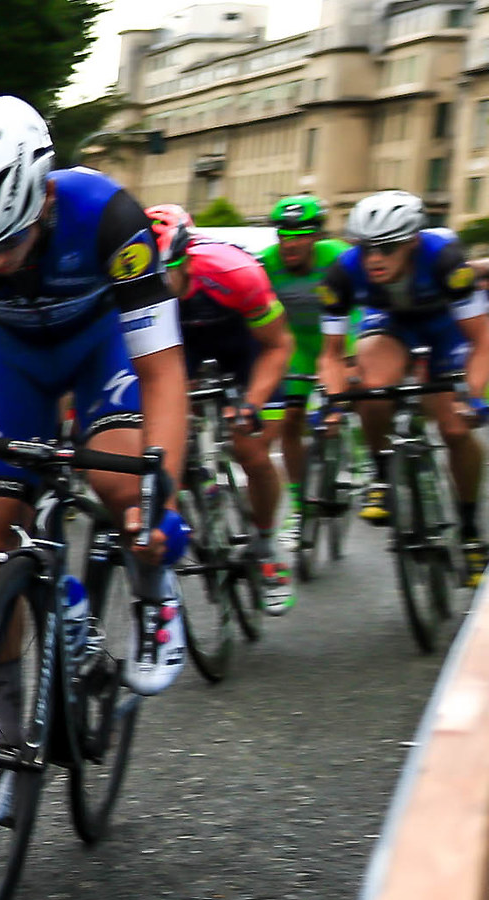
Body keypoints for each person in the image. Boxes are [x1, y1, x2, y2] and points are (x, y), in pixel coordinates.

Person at [0, 96, 189, 826]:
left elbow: (166, 371)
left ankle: (152, 588)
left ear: (45, 193)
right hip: (12, 359)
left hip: (99, 347)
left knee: (123, 480)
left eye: (9, 239)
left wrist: (160, 488)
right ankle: (6, 730)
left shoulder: (109, 217)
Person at [315, 190, 489, 578]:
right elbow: (330, 355)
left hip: (446, 327)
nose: (375, 259)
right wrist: (335, 400)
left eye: (388, 248)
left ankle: (470, 527)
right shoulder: (343, 273)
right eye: (366, 248)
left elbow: (482, 341)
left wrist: (471, 397)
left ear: (412, 241)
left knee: (456, 429)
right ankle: (381, 475)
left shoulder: (445, 262)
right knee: (373, 389)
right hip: (390, 323)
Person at [146, 204, 296, 606]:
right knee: (164, 440)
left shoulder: (234, 270)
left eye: (164, 276)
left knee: (251, 449)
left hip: (243, 342)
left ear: (185, 257)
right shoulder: (130, 279)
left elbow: (278, 345)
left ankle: (265, 546)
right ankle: (193, 492)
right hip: (180, 343)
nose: (157, 287)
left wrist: (252, 403)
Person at [259, 195, 352, 535]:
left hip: (341, 336)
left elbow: (361, 304)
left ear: (316, 236)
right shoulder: (266, 263)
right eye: (284, 234)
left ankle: (356, 464)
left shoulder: (338, 257)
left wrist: (351, 361)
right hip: (297, 343)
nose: (290, 242)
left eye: (300, 234)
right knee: (291, 419)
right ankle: (299, 505)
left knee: (343, 401)